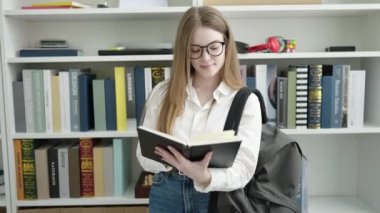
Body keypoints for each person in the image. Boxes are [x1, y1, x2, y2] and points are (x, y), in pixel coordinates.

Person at [136, 6, 262, 213]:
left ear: (227, 45)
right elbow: (143, 155)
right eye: (195, 49)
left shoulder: (246, 101)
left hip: (216, 197)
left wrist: (203, 176)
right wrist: (174, 164)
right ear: (184, 50)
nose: (205, 58)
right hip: (166, 193)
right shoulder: (161, 93)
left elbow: (245, 169)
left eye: (214, 47)